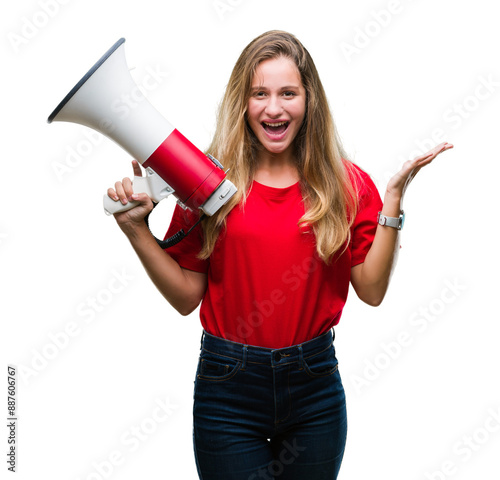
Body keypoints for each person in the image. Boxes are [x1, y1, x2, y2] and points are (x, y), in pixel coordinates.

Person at [107, 30, 453, 480]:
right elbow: (187, 297)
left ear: (309, 100)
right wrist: (136, 230)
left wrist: (391, 203)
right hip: (227, 388)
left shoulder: (347, 186)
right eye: (260, 94)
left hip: (315, 390)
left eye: (288, 93)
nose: (274, 108)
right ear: (243, 102)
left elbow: (370, 290)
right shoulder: (206, 183)